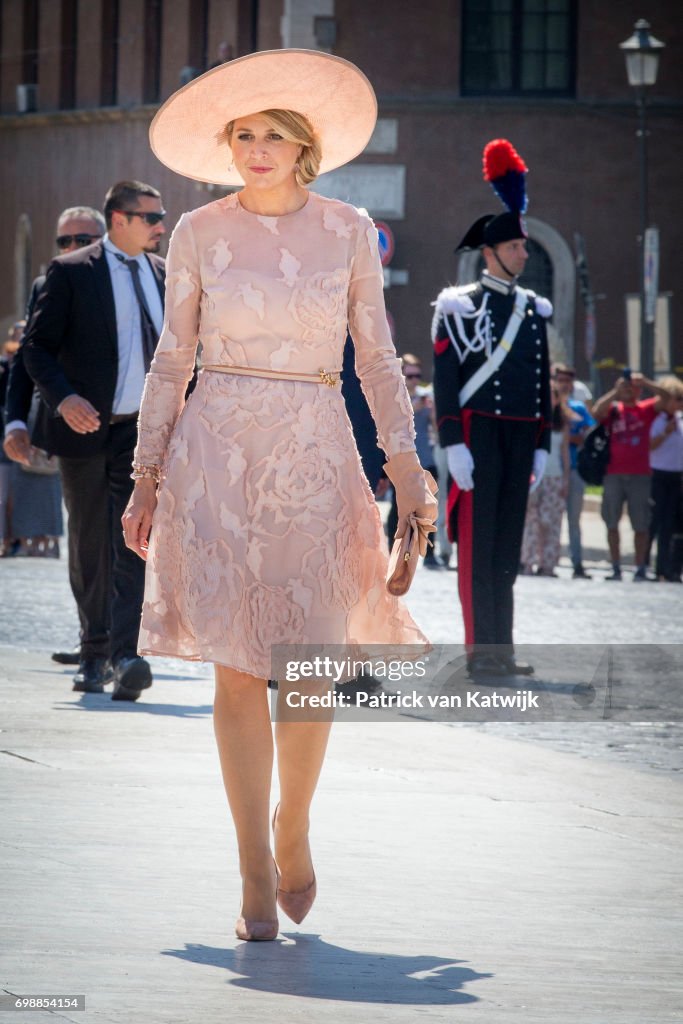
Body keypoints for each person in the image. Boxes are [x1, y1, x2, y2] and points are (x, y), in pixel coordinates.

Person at [122, 50, 436, 942]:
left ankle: (291, 824)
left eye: (274, 135)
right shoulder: (194, 232)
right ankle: (252, 870)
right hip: (214, 454)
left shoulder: (346, 230)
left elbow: (375, 359)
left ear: (306, 146)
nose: (257, 149)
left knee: (306, 671)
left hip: (314, 454)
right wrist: (148, 475)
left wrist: (407, 474)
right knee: (234, 663)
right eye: (243, 135)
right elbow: (171, 359)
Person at [23, 182, 166, 697]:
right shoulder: (70, 272)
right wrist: (62, 399)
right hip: (82, 427)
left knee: (134, 538)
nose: (161, 225)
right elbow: (35, 350)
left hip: (140, 431)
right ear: (118, 219)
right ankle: (93, 652)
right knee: (88, 540)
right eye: (151, 216)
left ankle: (126, 655)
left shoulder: (163, 274)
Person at [432, 139, 551, 678]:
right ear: (492, 252)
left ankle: (502, 648)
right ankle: (482, 650)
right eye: (517, 248)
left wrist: (544, 442)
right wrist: (453, 442)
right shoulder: (458, 307)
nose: (525, 255)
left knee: (506, 549)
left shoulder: (532, 310)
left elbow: (541, 380)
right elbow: (446, 378)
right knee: (478, 550)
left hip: (520, 437)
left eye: (525, 248)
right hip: (478, 437)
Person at [4, 208, 106, 577]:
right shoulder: (43, 284)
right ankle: (96, 630)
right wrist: (15, 420)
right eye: (65, 240)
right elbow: (27, 358)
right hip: (66, 426)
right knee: (85, 532)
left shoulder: (129, 279)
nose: (73, 247)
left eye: (84, 240)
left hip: (126, 426)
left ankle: (117, 626)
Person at [592, 372, 671, 581]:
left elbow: (667, 397)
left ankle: (640, 567)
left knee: (641, 524)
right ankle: (616, 567)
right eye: (625, 386)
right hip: (613, 473)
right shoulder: (614, 409)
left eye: (631, 386)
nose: (628, 389)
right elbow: (596, 411)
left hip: (640, 474)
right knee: (611, 521)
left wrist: (644, 382)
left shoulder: (644, 409)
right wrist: (615, 392)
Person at [386, 354, 440, 566]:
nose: (414, 380)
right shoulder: (396, 398)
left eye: (417, 376)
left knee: (429, 506)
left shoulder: (425, 398)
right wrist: (411, 409)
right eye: (410, 376)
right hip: (402, 459)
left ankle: (429, 553)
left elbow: (436, 428)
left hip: (426, 458)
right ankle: (395, 549)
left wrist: (433, 410)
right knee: (398, 506)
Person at [520, 384, 573, 576]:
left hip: (554, 477)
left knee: (550, 521)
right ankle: (528, 561)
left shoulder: (562, 423)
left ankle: (548, 563)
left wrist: (566, 479)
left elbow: (565, 453)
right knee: (530, 521)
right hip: (534, 477)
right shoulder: (533, 419)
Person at [552, 363, 595, 578]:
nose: (564, 384)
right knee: (549, 519)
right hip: (551, 471)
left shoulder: (577, 407)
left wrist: (570, 429)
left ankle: (577, 563)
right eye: (560, 380)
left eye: (568, 381)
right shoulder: (548, 408)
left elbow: (586, 433)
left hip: (575, 469)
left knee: (574, 520)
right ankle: (548, 560)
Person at [648, 376, 683, 582]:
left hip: (676, 476)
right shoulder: (657, 420)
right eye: (676, 398)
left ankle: (665, 568)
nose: (679, 403)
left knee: (670, 524)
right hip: (658, 474)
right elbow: (650, 446)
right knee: (654, 522)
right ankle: (644, 565)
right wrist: (665, 433)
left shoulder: (680, 421)